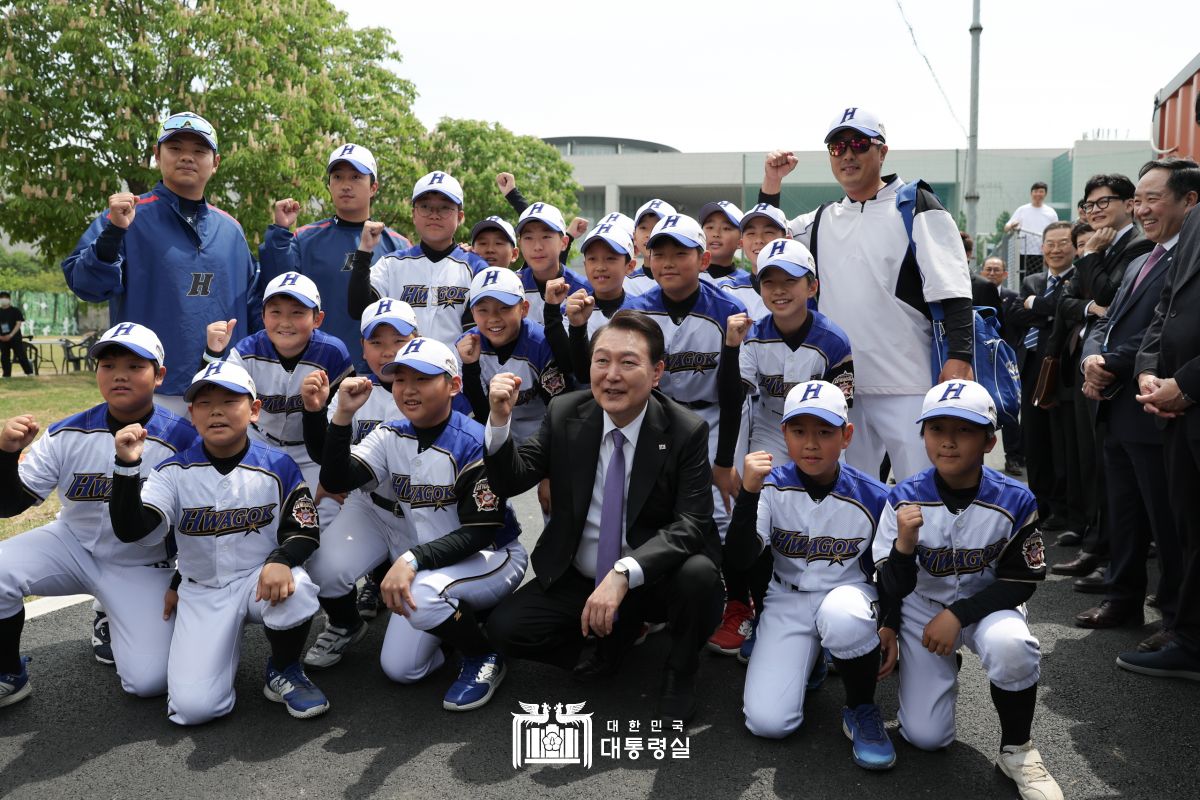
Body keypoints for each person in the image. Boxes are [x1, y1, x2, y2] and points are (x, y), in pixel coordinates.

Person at [482, 310, 724, 722]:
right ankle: (609, 643)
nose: (611, 375)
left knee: (699, 576)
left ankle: (679, 670)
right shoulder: (564, 412)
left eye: (628, 363)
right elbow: (511, 480)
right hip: (581, 574)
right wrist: (500, 422)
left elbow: (692, 523)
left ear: (656, 372)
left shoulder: (686, 430)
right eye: (601, 360)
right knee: (504, 628)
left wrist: (624, 573)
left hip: (652, 577)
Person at [107, 360, 329, 724]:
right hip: (202, 591)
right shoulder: (171, 472)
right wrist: (126, 467)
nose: (216, 412)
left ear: (254, 410)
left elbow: (304, 529)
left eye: (230, 401)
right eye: (205, 404)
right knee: (196, 709)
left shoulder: (279, 465)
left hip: (258, 580)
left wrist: (282, 559)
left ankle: (285, 669)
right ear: (192, 415)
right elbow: (134, 530)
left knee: (298, 588)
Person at [759, 107, 974, 482]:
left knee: (920, 490)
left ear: (882, 151)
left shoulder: (915, 204)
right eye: (837, 147)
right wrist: (772, 183)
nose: (847, 154)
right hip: (841, 385)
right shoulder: (823, 218)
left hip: (908, 382)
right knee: (853, 498)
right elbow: (766, 244)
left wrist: (960, 356)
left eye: (859, 143)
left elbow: (953, 286)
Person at [316, 337, 527, 710]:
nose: (408, 390)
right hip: (435, 563)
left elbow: (481, 531)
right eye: (400, 380)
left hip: (491, 557)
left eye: (423, 379)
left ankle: (483, 656)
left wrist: (412, 560)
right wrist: (341, 418)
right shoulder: (390, 433)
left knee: (424, 599)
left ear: (454, 385)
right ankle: (454, 625)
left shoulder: (475, 441)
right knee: (402, 669)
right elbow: (336, 480)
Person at [874, 380, 1061, 800]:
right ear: (922, 436)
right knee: (926, 737)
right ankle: (937, 670)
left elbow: (1022, 581)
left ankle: (1017, 748)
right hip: (921, 608)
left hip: (987, 606)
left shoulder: (1015, 498)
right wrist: (904, 549)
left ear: (989, 439)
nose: (949, 442)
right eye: (937, 429)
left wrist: (959, 615)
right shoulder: (902, 498)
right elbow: (889, 583)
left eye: (964, 430)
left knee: (1013, 646)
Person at [0, 324, 195, 709]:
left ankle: (112, 609)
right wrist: (6, 455)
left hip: (143, 563)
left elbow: (196, 524)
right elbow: (9, 506)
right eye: (108, 364)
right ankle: (8, 672)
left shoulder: (184, 439)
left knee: (148, 682)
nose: (119, 374)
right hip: (71, 544)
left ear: (159, 376)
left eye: (134, 365)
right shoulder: (67, 432)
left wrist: (181, 577)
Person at [726, 381, 896, 770]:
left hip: (848, 595)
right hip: (786, 598)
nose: (811, 443)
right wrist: (748, 495)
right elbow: (739, 558)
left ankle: (861, 708)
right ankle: (813, 657)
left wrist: (890, 625)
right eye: (799, 431)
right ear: (784, 433)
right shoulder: (768, 484)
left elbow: (890, 573)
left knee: (843, 617)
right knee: (769, 723)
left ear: (847, 435)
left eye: (824, 432)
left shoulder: (874, 495)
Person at [61, 111, 260, 417]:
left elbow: (253, 307)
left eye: (199, 150)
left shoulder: (231, 230)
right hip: (151, 391)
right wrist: (114, 232)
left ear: (215, 162)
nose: (187, 158)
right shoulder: (126, 217)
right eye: (175, 148)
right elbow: (86, 285)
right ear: (157, 155)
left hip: (224, 389)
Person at [1075, 158, 1198, 646]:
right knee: (1123, 512)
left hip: (1157, 408)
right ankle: (1122, 598)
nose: (1142, 209)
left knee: (1166, 523)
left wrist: (1115, 364)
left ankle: (1174, 619)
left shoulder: (1182, 256)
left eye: (1152, 199)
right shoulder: (1139, 260)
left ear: (1188, 200)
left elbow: (1159, 331)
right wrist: (1091, 360)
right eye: (1138, 200)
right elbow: (1104, 322)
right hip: (1119, 404)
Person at [1049, 175, 1153, 583]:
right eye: (1088, 205)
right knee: (1090, 463)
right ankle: (1096, 544)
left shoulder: (1140, 247)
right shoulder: (1103, 246)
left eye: (1103, 202)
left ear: (1129, 204)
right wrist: (1091, 302)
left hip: (1121, 372)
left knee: (1116, 474)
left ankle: (1108, 553)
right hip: (1086, 366)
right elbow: (1068, 300)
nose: (1094, 211)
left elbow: (1110, 299)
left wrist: (1091, 255)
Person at [1117, 179, 1200, 680]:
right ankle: (1189, 636)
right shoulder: (1191, 228)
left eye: (1152, 198)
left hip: (1188, 397)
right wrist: (1149, 370)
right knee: (1189, 529)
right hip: (1175, 410)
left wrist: (1186, 384)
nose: (1141, 209)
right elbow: (1164, 311)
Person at [299, 298, 419, 630]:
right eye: (377, 342)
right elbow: (323, 456)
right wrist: (313, 411)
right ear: (363, 349)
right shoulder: (353, 390)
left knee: (413, 640)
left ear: (418, 340)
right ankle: (345, 626)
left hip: (423, 509)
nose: (388, 351)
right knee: (323, 570)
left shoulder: (434, 385)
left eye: (399, 340)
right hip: (370, 506)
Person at [204, 272, 353, 528]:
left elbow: (343, 422)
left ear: (318, 319)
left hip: (312, 453)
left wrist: (332, 470)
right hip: (259, 442)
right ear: (262, 316)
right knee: (245, 512)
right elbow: (212, 396)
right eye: (275, 312)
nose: (285, 322)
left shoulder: (333, 352)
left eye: (297, 312)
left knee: (322, 521)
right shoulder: (247, 350)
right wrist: (212, 355)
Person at [259, 144, 410, 372]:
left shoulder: (398, 245)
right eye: (337, 177)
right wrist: (280, 232)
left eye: (356, 177)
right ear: (329, 185)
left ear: (373, 187)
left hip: (382, 372)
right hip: (316, 367)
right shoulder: (305, 238)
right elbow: (275, 289)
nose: (346, 185)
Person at [347, 171, 488, 349]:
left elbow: (481, 334)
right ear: (414, 214)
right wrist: (364, 252)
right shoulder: (391, 265)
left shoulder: (476, 268)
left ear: (459, 217)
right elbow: (357, 310)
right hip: (403, 373)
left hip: (456, 374)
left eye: (445, 207)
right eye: (425, 206)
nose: (434, 214)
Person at [1008, 222, 1080, 538]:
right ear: (1042, 248)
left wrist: (1040, 307)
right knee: (1034, 439)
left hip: (1062, 369)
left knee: (1061, 441)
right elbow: (1015, 314)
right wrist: (1046, 310)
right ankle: (1040, 504)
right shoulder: (1034, 280)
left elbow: (1063, 310)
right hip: (1032, 366)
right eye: (1050, 243)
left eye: (1063, 242)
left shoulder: (1079, 281)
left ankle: (1064, 507)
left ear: (1075, 247)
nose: (1055, 249)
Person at [456, 267, 572, 443]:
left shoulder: (540, 342)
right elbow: (478, 413)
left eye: (504, 308)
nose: (493, 317)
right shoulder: (466, 346)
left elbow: (558, 408)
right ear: (472, 312)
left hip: (540, 437)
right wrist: (470, 366)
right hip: (492, 436)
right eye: (483, 310)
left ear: (524, 309)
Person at [980, 256, 1025, 476]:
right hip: (980, 361)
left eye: (997, 269)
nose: (992, 273)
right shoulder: (974, 293)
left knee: (1008, 410)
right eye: (988, 269)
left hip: (1005, 360)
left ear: (1005, 274)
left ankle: (1013, 458)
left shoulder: (1013, 297)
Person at [512, 203, 591, 326]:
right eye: (528, 238)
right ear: (520, 244)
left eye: (546, 236)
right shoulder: (510, 286)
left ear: (564, 242)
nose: (537, 246)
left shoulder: (586, 290)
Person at [717, 203, 791, 322]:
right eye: (751, 233)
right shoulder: (725, 291)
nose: (759, 240)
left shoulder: (800, 289)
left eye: (768, 232)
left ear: (787, 240)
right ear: (741, 242)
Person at [1004, 182, 1059, 280]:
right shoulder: (1022, 210)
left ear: (1045, 194)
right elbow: (1006, 227)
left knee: (1039, 279)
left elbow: (1056, 231)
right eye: (1036, 191)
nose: (1038, 194)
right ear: (1031, 193)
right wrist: (1012, 225)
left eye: (1041, 191)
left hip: (1042, 252)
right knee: (1021, 279)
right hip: (1022, 251)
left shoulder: (1050, 212)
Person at [625, 199, 677, 296]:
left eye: (658, 226)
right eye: (643, 228)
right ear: (634, 236)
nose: (649, 235)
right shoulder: (624, 283)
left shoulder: (688, 278)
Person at [697, 200, 744, 286]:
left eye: (726, 228)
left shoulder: (750, 284)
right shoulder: (685, 276)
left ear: (741, 242)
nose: (716, 234)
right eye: (710, 227)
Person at [0, 291, 34, 377]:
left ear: (9, 299)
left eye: (5, 298)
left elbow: (18, 323)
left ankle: (29, 372)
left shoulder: (15, 311)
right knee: (4, 357)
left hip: (15, 337)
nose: (3, 300)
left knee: (21, 355)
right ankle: (6, 374)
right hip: (2, 338)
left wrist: (10, 335)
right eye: (1, 298)